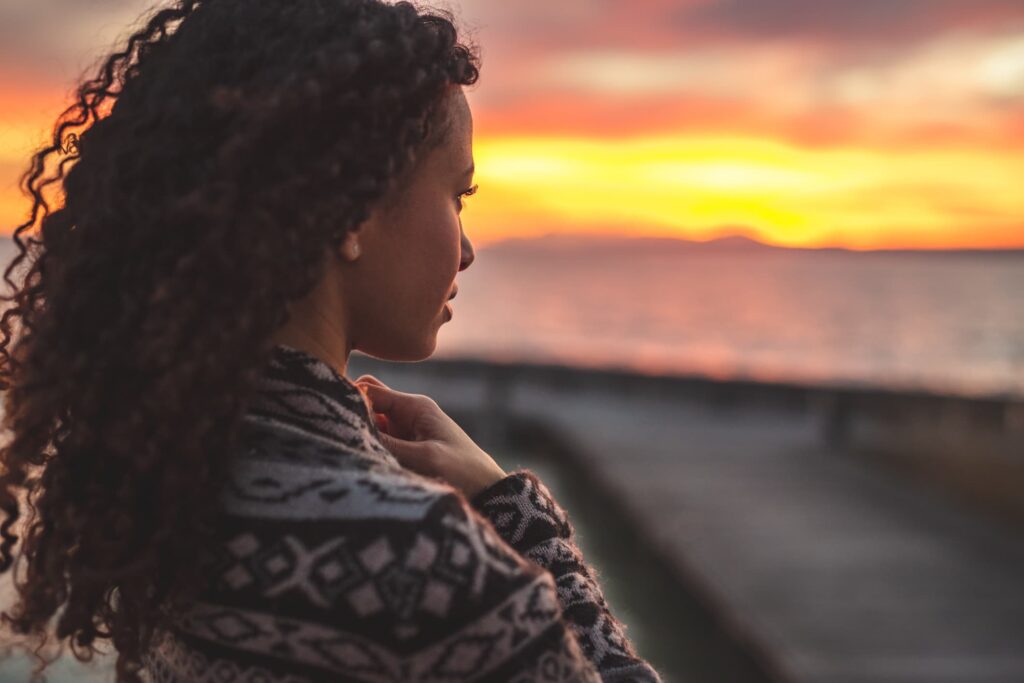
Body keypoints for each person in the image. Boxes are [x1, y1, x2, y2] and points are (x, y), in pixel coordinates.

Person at [0, 1, 664, 681]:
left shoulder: (164, 477)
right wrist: (515, 512)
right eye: (458, 196)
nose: (466, 249)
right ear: (351, 211)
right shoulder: (433, 572)